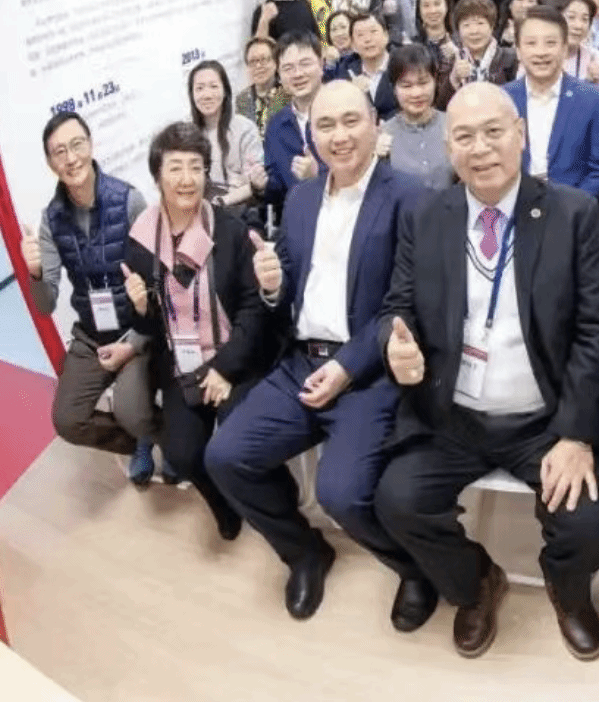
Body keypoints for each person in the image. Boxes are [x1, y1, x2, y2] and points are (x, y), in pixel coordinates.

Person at [375, 83, 599, 661]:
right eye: (464, 136)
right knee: (397, 502)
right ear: (449, 147)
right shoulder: (426, 216)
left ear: (521, 134)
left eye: (493, 132)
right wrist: (394, 344)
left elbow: (594, 331)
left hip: (544, 418)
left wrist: (576, 434)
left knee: (589, 523)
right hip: (454, 414)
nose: (480, 148)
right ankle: (476, 583)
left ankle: (566, 587)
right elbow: (396, 306)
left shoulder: (572, 214)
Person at [205, 81, 430, 625]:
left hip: (367, 372)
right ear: (311, 135)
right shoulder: (302, 198)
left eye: (351, 121)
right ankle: (304, 551)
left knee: (343, 494)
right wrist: (271, 285)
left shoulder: (411, 197)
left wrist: (347, 367)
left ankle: (415, 569)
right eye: (325, 125)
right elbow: (285, 293)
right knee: (225, 457)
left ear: (375, 125)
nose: (339, 135)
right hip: (300, 363)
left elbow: (405, 305)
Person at [123, 122, 271, 541]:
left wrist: (225, 368)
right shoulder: (141, 241)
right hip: (181, 363)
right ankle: (222, 506)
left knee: (237, 445)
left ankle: (259, 504)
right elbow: (150, 327)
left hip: (232, 356)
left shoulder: (229, 230)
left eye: (195, 167)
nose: (187, 179)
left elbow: (253, 309)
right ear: (158, 176)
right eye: (175, 168)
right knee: (183, 454)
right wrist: (139, 308)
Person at [29, 112, 158, 484]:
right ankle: (137, 441)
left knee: (132, 411)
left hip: (134, 329)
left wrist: (135, 343)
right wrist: (35, 273)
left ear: (90, 145)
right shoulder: (51, 220)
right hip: (92, 335)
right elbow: (45, 304)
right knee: (67, 421)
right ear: (50, 162)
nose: (71, 159)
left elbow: (157, 281)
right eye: (59, 152)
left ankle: (166, 433)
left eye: (76, 145)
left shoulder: (128, 199)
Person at [505, 6, 599, 198]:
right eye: (531, 43)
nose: (541, 52)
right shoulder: (503, 99)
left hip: (572, 205)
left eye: (550, 43)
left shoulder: (591, 99)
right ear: (518, 51)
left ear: (564, 49)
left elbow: (598, 171)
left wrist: (571, 208)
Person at [262, 33, 327, 216]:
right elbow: (277, 189)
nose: (297, 74)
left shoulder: (345, 109)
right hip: (298, 221)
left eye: (305, 64)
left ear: (321, 64)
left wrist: (319, 174)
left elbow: (362, 172)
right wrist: (260, 184)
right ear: (279, 75)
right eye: (288, 68)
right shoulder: (276, 125)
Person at [187, 60, 265, 213]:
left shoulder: (244, 128)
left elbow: (255, 183)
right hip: (199, 212)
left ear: (225, 91)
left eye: (214, 86)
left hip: (239, 209)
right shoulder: (188, 134)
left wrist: (221, 202)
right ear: (192, 94)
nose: (207, 95)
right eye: (199, 88)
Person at [378, 45, 454, 192]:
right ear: (394, 89)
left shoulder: (452, 124)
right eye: (406, 86)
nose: (416, 93)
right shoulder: (384, 134)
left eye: (423, 83)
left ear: (435, 81)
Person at [444, 0, 518, 103]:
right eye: (466, 25)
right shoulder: (451, 61)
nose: (474, 31)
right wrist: (454, 79)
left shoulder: (510, 58)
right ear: (458, 31)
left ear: (491, 27)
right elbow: (440, 106)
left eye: (480, 23)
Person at [335, 12, 398, 121]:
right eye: (360, 35)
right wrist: (351, 93)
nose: (368, 39)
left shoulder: (402, 65)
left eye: (373, 32)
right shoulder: (345, 72)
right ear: (353, 45)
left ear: (386, 36)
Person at [557, 0, 599, 96]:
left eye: (585, 19)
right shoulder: (537, 58)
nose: (578, 26)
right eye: (571, 17)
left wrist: (593, 85)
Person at [234, 37, 290, 137]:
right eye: (253, 61)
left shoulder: (289, 94)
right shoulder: (242, 99)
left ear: (276, 63)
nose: (258, 66)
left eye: (263, 60)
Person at [323, 10, 354, 74]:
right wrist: (330, 63)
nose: (339, 34)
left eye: (343, 27)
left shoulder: (363, 56)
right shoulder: (325, 62)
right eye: (334, 29)